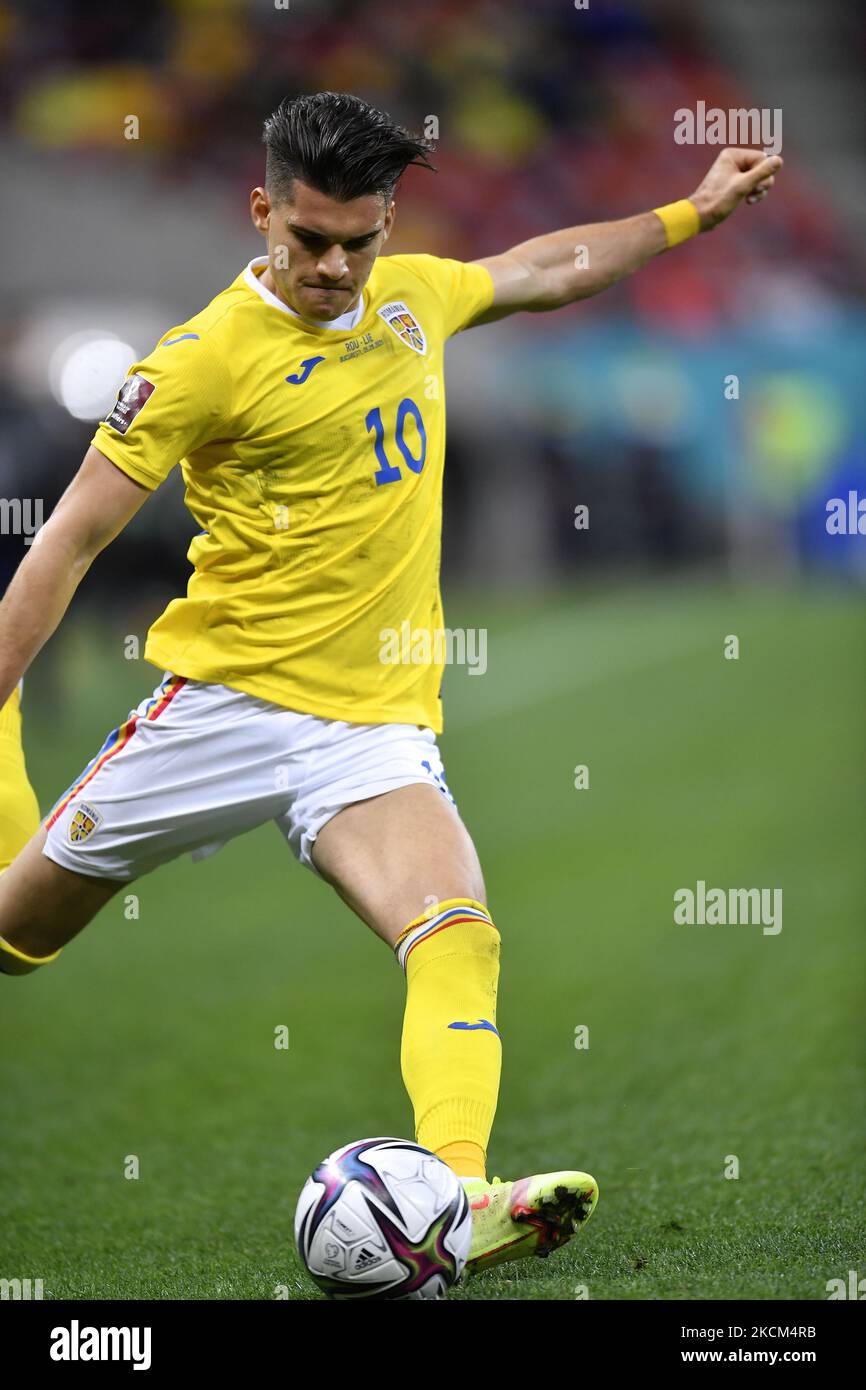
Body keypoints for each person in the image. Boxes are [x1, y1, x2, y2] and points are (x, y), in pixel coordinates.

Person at [0, 91, 781, 1276]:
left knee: (456, 932)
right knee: (13, 936)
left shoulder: (411, 297)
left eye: (358, 240)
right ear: (262, 211)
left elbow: (542, 265)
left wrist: (690, 212)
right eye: (308, 239)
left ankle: (462, 1197)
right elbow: (65, 543)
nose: (334, 266)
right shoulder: (202, 360)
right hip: (219, 709)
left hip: (368, 726)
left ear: (387, 222)